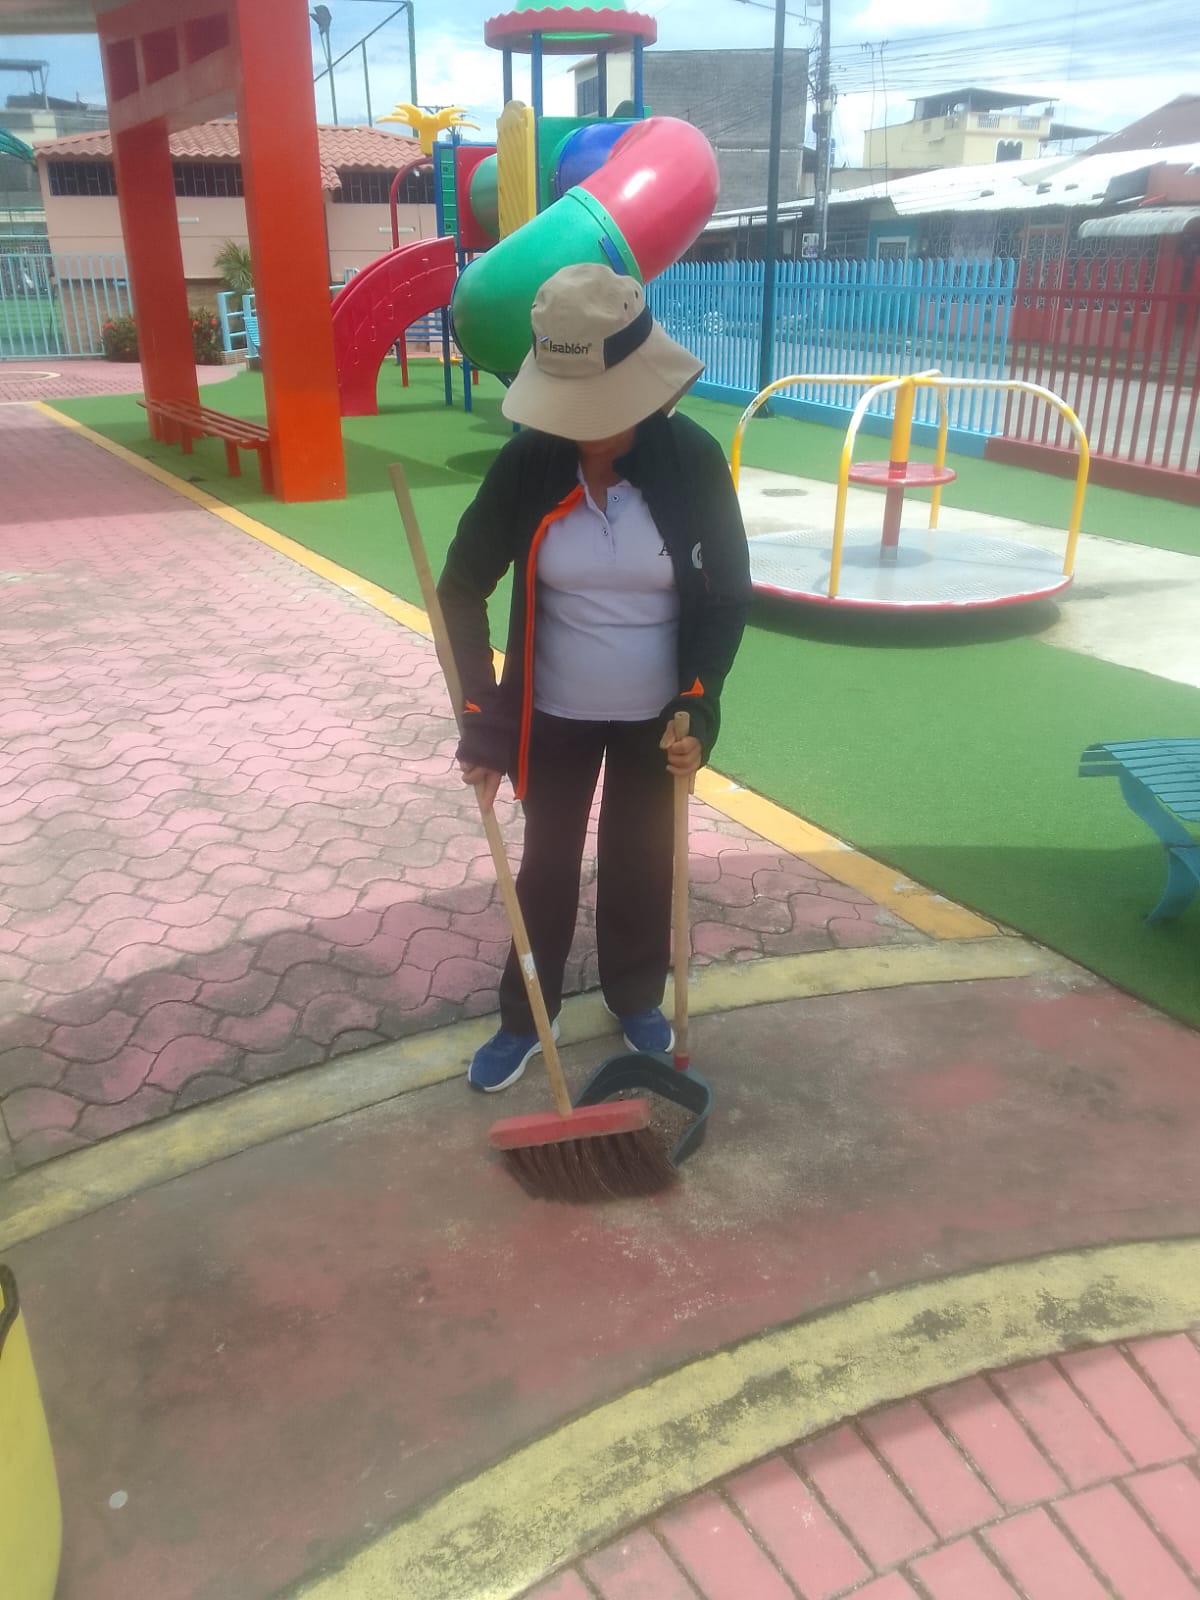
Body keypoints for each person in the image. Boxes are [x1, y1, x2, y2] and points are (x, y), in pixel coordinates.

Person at [438, 262, 750, 1091]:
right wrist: (484, 717)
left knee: (642, 860)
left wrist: (700, 705)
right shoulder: (528, 464)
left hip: (657, 718)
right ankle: (525, 1015)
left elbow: (727, 594)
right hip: (555, 713)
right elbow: (460, 589)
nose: (587, 430)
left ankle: (635, 993)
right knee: (545, 866)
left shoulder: (692, 461)